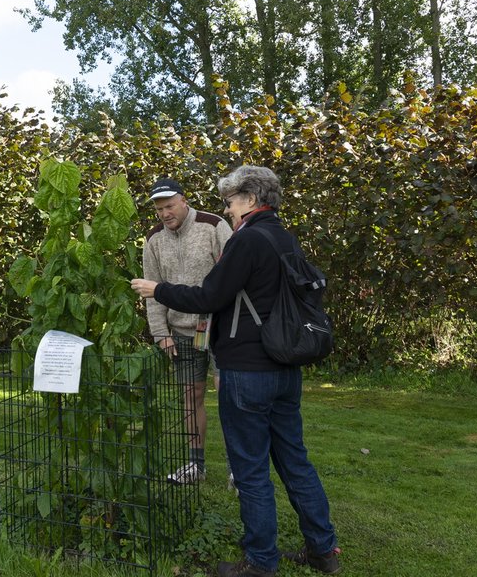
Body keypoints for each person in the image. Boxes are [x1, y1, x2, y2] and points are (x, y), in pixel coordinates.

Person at [131, 166, 340, 577]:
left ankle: (261, 562)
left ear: (249, 199)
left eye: (230, 201)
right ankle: (324, 550)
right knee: (295, 460)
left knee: (250, 469)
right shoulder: (283, 237)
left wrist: (159, 290)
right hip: (284, 366)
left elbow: (211, 294)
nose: (227, 210)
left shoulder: (247, 240)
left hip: (248, 369)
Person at [143, 177, 232, 485]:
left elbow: (236, 275)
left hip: (220, 328)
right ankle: (196, 465)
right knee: (190, 396)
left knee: (228, 395)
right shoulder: (153, 239)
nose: (165, 214)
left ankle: (239, 468)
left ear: (184, 200)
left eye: (169, 206)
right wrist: (160, 332)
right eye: (159, 209)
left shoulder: (214, 226)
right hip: (181, 331)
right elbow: (151, 290)